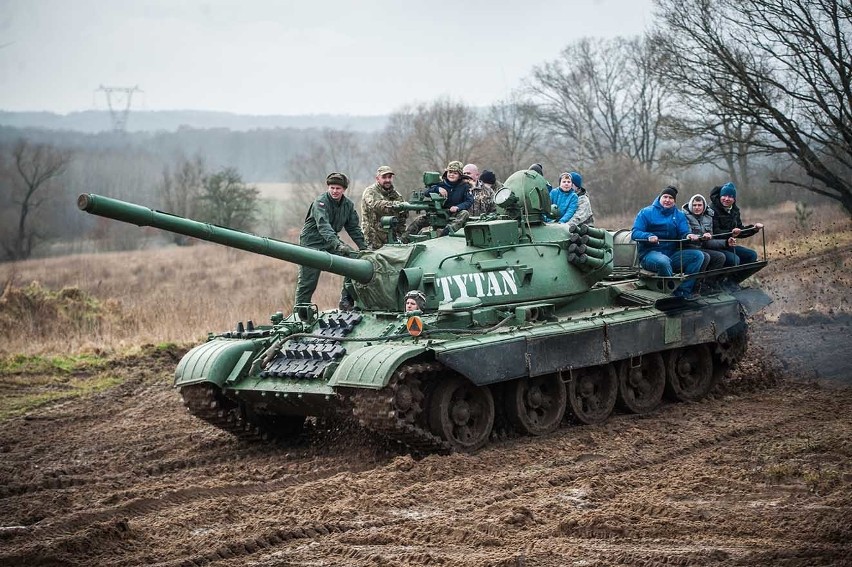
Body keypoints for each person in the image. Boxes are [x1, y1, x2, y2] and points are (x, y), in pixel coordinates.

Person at [295, 172, 367, 309]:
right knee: (308, 280)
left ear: (344, 190)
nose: (334, 191)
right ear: (328, 187)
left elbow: (354, 229)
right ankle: (300, 311)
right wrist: (338, 245)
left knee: (354, 262)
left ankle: (346, 299)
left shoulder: (348, 205)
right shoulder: (320, 203)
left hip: (330, 242)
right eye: (332, 188)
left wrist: (365, 248)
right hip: (311, 243)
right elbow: (323, 226)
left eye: (338, 188)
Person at [631, 185, 706, 298]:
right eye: (665, 197)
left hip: (671, 253)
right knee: (663, 262)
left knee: (698, 256)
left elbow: (683, 232)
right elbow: (635, 233)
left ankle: (683, 291)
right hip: (649, 254)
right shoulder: (646, 212)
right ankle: (669, 293)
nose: (667, 200)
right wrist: (648, 236)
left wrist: (689, 235)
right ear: (660, 198)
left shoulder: (679, 215)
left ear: (674, 201)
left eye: (671, 198)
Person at [406, 160, 473, 237]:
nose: (452, 175)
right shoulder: (440, 183)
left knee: (465, 213)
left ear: (460, 175)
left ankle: (446, 232)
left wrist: (458, 207)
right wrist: (437, 189)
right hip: (438, 214)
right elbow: (426, 192)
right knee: (419, 221)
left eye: (455, 173)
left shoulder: (464, 186)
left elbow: (469, 201)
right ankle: (404, 239)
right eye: (450, 172)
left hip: (455, 214)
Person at [709, 182, 764, 265]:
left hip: (729, 245)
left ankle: (734, 277)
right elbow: (715, 231)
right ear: (720, 196)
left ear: (734, 199)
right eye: (724, 196)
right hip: (715, 246)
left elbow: (739, 229)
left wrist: (754, 229)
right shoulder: (712, 209)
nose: (727, 199)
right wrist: (732, 233)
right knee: (734, 260)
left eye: (730, 197)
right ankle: (724, 277)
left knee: (752, 255)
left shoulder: (735, 211)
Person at [360, 165, 407, 249]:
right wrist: (393, 205)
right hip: (372, 239)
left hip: (391, 239)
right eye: (384, 177)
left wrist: (401, 236)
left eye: (389, 177)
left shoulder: (396, 195)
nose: (387, 180)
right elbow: (374, 205)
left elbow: (402, 218)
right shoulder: (370, 192)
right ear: (377, 179)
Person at [682, 193, 731, 271]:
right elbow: (686, 236)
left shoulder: (709, 217)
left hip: (704, 246)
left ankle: (709, 282)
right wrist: (701, 237)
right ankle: (697, 281)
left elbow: (710, 241)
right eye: (694, 205)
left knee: (721, 257)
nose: (697, 208)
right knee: (705, 257)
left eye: (699, 205)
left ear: (704, 206)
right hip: (690, 248)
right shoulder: (684, 217)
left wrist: (726, 242)